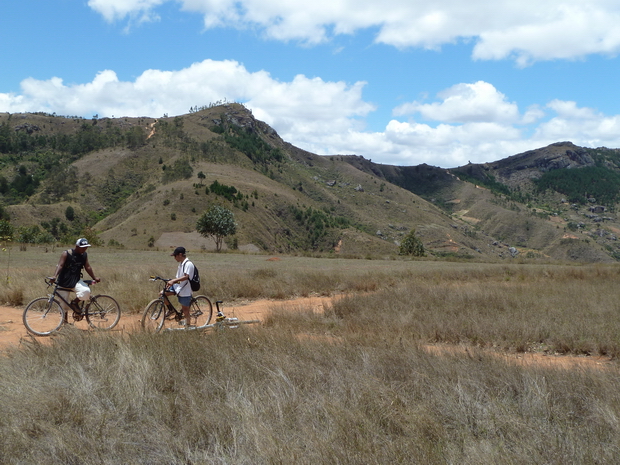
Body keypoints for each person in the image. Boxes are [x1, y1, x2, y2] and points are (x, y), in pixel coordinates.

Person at [50, 238, 101, 321]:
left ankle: (75, 302)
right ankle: (65, 322)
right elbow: (60, 265)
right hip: (63, 282)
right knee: (64, 305)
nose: (85, 249)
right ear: (77, 246)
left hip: (76, 281)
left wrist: (94, 277)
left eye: (86, 247)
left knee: (86, 291)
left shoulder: (84, 255)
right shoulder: (66, 254)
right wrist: (54, 276)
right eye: (83, 247)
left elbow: (87, 266)